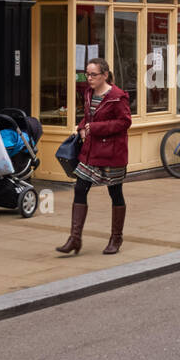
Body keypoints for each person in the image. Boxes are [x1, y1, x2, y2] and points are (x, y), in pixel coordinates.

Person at [56, 56, 132, 255]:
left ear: (105, 75)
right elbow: (88, 117)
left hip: (112, 152)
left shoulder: (117, 96)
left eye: (93, 74)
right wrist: (82, 127)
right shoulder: (88, 93)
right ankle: (75, 238)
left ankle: (116, 238)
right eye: (86, 74)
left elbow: (124, 122)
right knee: (80, 188)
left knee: (115, 193)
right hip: (90, 151)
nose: (89, 78)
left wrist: (95, 128)